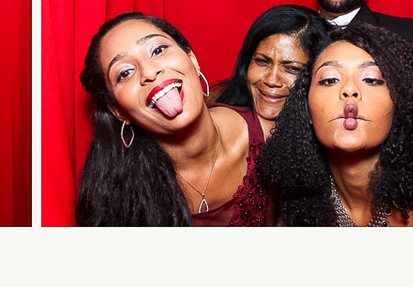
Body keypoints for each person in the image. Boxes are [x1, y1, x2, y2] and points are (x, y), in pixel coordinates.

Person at [258, 25, 413, 226]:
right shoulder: (293, 193)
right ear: (306, 109)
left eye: (371, 79)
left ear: (398, 104)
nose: (349, 90)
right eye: (330, 80)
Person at [76, 12, 270, 226]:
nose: (149, 71)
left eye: (158, 50)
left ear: (192, 60)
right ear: (118, 111)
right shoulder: (115, 199)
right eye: (125, 73)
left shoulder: (270, 136)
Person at [214, 5, 330, 138]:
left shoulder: (332, 136)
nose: (271, 80)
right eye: (262, 61)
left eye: (292, 69)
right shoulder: (219, 117)